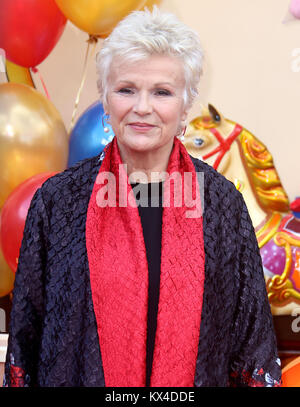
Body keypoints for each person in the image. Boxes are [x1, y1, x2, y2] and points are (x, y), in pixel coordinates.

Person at [3, 7, 281, 387]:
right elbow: (26, 340)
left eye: (162, 92)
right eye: (126, 89)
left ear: (185, 107)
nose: (142, 107)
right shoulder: (57, 202)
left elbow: (252, 345)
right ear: (105, 100)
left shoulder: (220, 204)